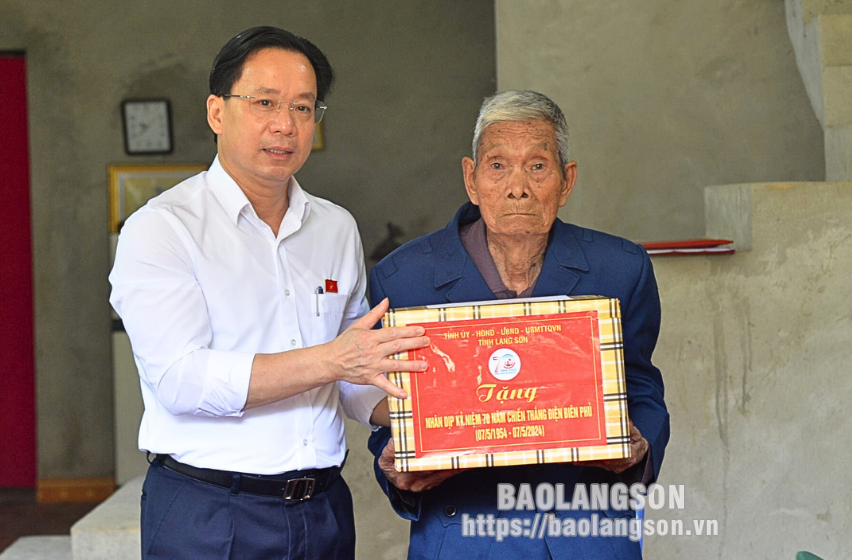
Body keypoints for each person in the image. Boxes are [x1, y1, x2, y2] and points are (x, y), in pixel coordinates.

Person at [109, 26, 429, 560]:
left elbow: (355, 377)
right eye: (265, 103)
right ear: (217, 112)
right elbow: (182, 381)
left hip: (322, 509)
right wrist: (332, 360)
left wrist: (441, 423)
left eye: (304, 108)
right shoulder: (162, 228)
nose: (285, 125)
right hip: (209, 512)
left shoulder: (335, 227)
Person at [367, 90, 670, 559]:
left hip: (585, 536)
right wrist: (395, 465)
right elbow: (397, 408)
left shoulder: (619, 269)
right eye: (497, 166)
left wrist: (640, 447)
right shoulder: (404, 278)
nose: (517, 187)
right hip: (463, 533)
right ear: (471, 179)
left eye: (537, 166)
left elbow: (641, 385)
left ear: (566, 181)